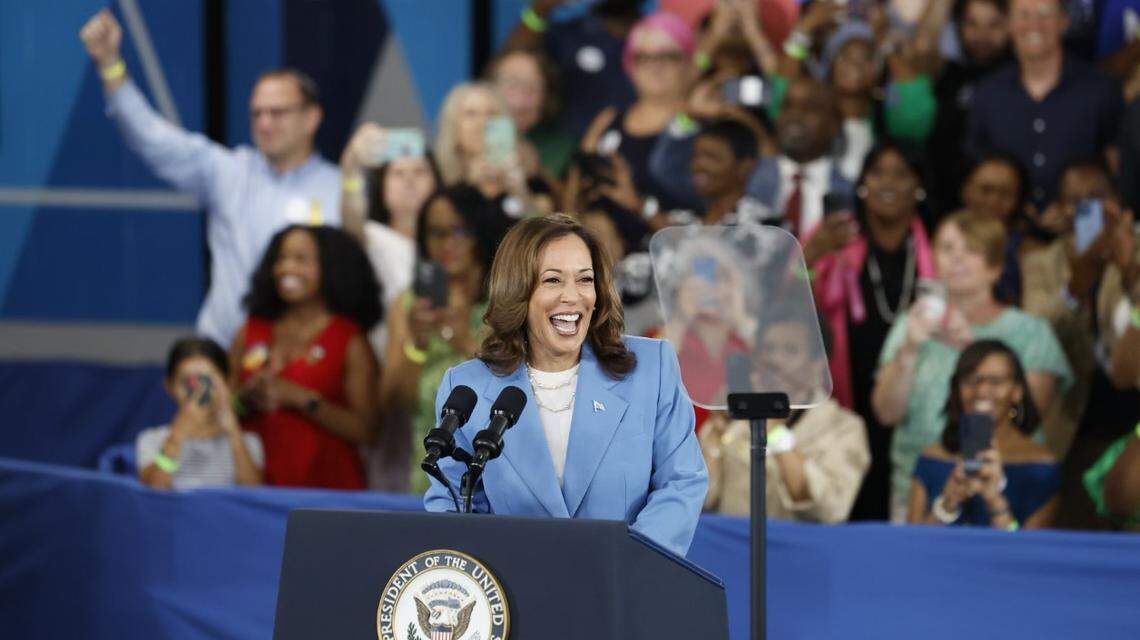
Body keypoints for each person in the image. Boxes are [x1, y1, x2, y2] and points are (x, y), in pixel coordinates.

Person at [424, 214, 707, 557]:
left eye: (584, 280)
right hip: (518, 594)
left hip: (623, 587)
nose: (573, 297)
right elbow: (453, 503)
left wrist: (626, 566)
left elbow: (681, 482)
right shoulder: (468, 386)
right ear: (518, 291)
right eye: (553, 280)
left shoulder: (651, 368)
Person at [80, 9, 341, 347]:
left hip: (305, 364)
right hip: (222, 353)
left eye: (278, 112)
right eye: (257, 113)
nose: (264, 123)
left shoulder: (340, 188)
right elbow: (151, 138)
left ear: (312, 118)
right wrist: (110, 64)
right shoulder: (228, 171)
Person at [872, 212, 1072, 521]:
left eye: (971, 250)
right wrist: (909, 349)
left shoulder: (1031, 332)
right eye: (948, 248)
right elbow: (886, 413)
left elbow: (1028, 417)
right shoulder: (911, 323)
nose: (957, 259)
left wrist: (970, 350)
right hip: (916, 485)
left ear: (995, 266)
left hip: (1004, 486)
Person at [806, 143, 936, 520]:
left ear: (919, 185)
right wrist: (811, 255)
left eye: (901, 173)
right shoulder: (835, 235)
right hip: (846, 386)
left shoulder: (936, 241)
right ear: (862, 183)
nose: (888, 182)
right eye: (878, 172)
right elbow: (789, 295)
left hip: (909, 390)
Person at [381, 186, 511, 494]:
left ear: (480, 233)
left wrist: (466, 342)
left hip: (500, 478)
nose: (446, 244)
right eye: (435, 233)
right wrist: (417, 344)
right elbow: (391, 404)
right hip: (429, 478)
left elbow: (523, 390)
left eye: (459, 231)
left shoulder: (508, 301)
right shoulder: (409, 304)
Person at [232, 225, 381, 489]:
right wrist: (245, 397)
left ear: (331, 267)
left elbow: (367, 430)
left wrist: (301, 398)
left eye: (301, 259)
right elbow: (223, 408)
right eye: (280, 258)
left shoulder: (349, 339)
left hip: (327, 489)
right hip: (255, 487)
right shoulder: (250, 330)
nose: (286, 268)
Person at [700, 310, 870, 522]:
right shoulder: (734, 415)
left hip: (797, 550)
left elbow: (829, 509)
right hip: (726, 546)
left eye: (791, 350)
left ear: (817, 364)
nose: (775, 360)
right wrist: (716, 432)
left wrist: (772, 428)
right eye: (768, 349)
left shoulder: (843, 427)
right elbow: (701, 499)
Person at [1021, 159, 1131, 459]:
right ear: (1060, 209)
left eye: (1097, 197)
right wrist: (1074, 289)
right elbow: (1034, 330)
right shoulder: (1039, 263)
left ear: (1116, 201)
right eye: (1076, 201)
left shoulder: (1134, 254)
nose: (1088, 209)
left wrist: (1130, 270)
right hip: (1071, 421)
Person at [965, 0, 1123, 208]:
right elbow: (975, 169)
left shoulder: (1100, 89)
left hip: (1085, 228)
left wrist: (1077, 213)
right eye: (1023, 15)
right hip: (1005, 229)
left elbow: (1118, 166)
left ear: (1063, 22)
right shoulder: (988, 92)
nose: (1034, 24)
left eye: (1044, 13)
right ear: (1009, 23)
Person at [908, 340, 1059, 529]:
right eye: (971, 380)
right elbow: (913, 545)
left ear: (1017, 391)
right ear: (957, 389)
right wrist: (948, 503)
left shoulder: (1040, 468)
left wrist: (995, 502)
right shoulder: (931, 459)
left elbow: (1026, 553)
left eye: (996, 381)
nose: (982, 391)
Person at [571, 10, 697, 226]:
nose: (655, 66)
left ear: (687, 63)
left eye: (668, 56)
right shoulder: (607, 119)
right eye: (643, 57)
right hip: (603, 253)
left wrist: (639, 205)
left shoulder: (698, 122)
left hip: (669, 252)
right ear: (630, 66)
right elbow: (574, 192)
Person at [339, 123, 442, 354]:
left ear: (436, 182)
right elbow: (351, 218)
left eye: (420, 171)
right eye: (398, 173)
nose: (409, 181)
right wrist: (352, 166)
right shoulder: (371, 237)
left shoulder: (455, 243)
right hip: (383, 365)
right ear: (382, 188)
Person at [137, 337, 263, 490]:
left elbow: (252, 492)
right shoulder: (152, 440)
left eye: (207, 381)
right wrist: (177, 435)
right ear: (169, 386)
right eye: (188, 382)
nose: (198, 392)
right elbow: (155, 490)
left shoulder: (246, 443)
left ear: (227, 383)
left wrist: (232, 429)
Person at [505, 0, 643, 138]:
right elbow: (513, 57)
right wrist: (539, 11)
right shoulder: (571, 34)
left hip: (639, 148)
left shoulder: (657, 37)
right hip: (567, 149)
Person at [926, 0, 1012, 212]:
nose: (982, 35)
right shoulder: (947, 76)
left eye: (994, 25)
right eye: (972, 24)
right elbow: (923, 46)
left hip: (1002, 205)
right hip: (945, 205)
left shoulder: (1022, 82)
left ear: (1011, 25)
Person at [742, 76, 851, 240]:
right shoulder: (746, 177)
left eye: (809, 109)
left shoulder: (849, 195)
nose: (794, 116)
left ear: (834, 124)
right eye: (787, 106)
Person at [433, 82, 541, 217]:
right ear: (453, 126)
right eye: (471, 114)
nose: (483, 123)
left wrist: (519, 191)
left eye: (491, 114)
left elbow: (542, 232)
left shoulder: (531, 179)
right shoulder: (435, 178)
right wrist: (470, 186)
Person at [486, 45, 577, 177]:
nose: (520, 99)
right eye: (511, 84)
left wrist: (538, 171)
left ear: (546, 97)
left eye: (533, 87)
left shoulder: (564, 149)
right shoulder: (468, 140)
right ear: (490, 88)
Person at [958, 152, 1030, 302]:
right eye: (985, 190)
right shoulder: (945, 240)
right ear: (965, 190)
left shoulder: (1028, 251)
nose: (993, 201)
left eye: (1005, 194)